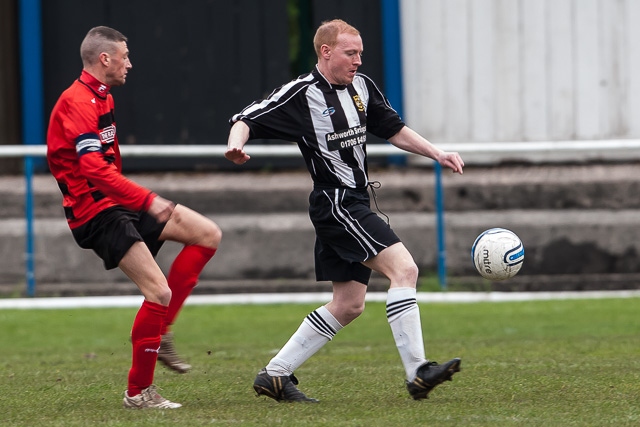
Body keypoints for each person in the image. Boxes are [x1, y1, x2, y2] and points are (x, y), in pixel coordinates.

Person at [225, 19, 464, 402]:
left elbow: (393, 128)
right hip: (336, 203)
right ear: (326, 52)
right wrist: (236, 145)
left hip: (354, 201)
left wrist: (437, 152)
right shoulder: (301, 94)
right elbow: (246, 118)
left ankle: (274, 375)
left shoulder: (363, 87)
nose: (358, 60)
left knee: (349, 304)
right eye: (351, 53)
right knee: (405, 269)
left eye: (360, 54)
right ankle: (418, 371)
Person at [47, 26, 222, 409]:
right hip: (95, 212)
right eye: (125, 56)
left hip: (116, 202)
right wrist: (146, 199)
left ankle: (162, 333)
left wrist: (137, 200)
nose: (131, 63)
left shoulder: (102, 96)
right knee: (158, 292)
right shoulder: (77, 102)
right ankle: (137, 393)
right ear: (104, 59)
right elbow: (92, 169)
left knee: (207, 234)